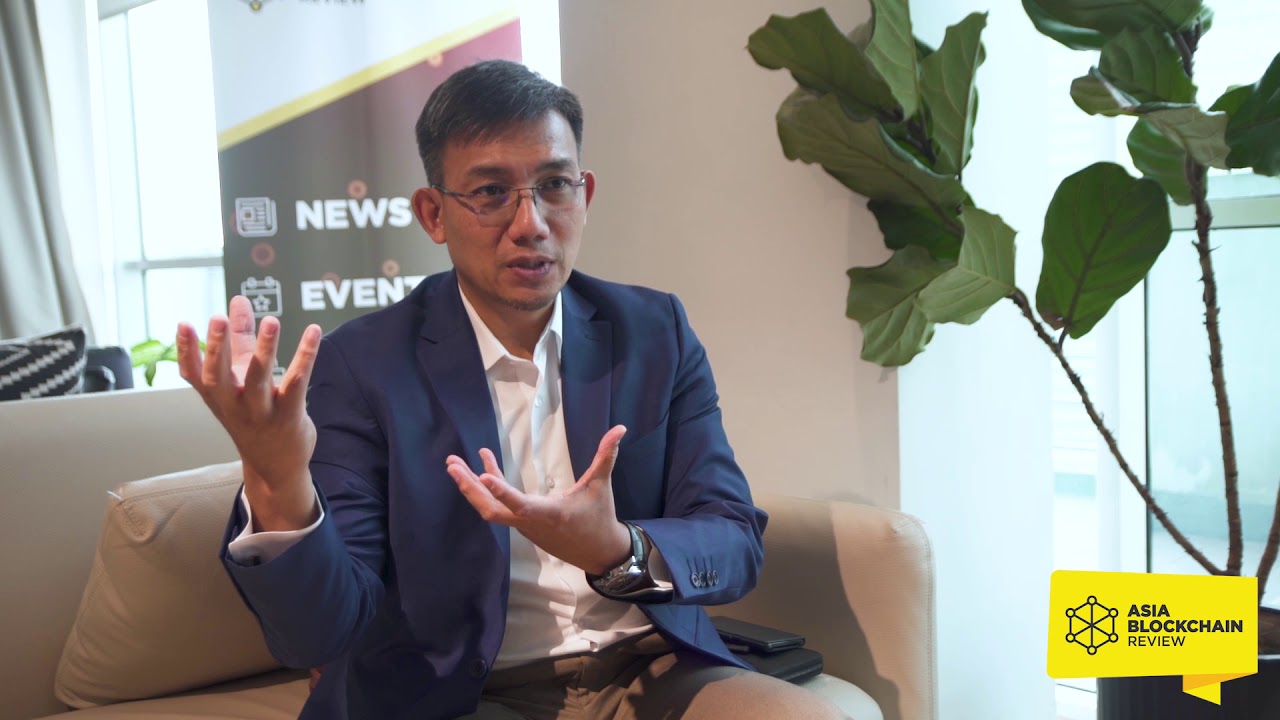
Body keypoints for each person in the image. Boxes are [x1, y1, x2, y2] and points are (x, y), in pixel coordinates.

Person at [177, 60, 848, 720]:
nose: (531, 223)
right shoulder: (363, 365)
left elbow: (732, 539)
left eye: (553, 185)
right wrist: (276, 477)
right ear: (434, 214)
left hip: (651, 669)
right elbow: (320, 634)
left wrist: (617, 550)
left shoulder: (652, 331)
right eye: (492, 192)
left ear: (584, 194)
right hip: (456, 692)